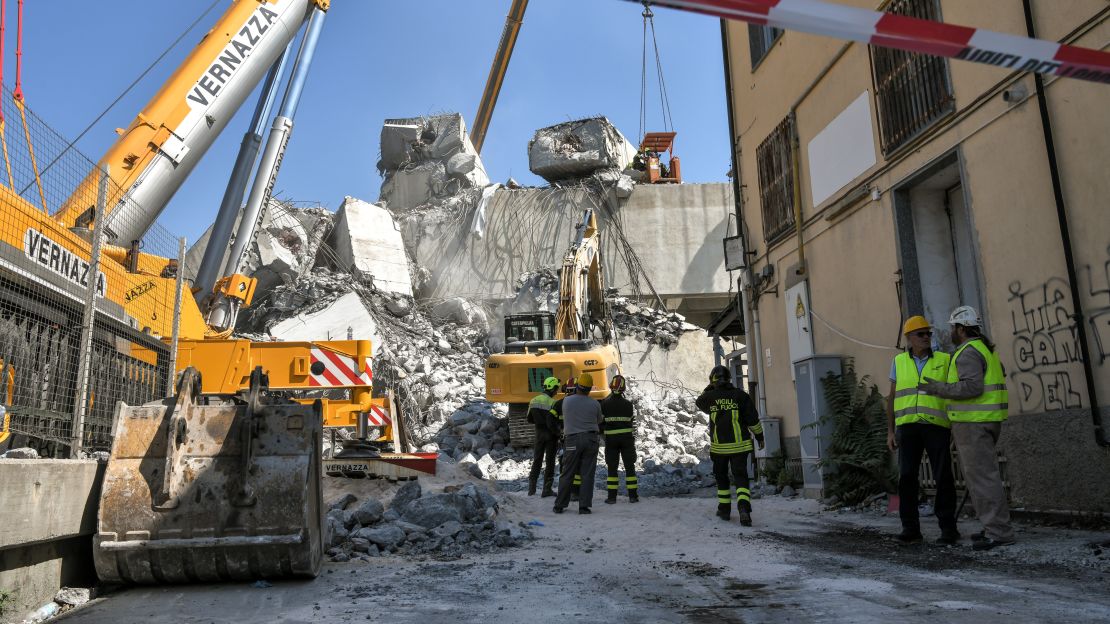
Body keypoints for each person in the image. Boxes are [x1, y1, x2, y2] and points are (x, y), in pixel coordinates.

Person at [919, 306, 1014, 551]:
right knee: (985, 476)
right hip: (986, 420)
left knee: (982, 478)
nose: (950, 332)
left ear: (961, 329)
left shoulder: (967, 353)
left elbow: (972, 387)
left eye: (953, 327)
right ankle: (994, 527)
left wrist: (939, 388)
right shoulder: (984, 350)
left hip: (974, 423)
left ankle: (999, 532)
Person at [886, 316, 958, 545]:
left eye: (928, 333)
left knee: (943, 476)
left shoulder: (945, 360)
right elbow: (892, 398)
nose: (926, 337)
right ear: (909, 338)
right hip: (907, 427)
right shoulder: (898, 362)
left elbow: (954, 392)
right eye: (921, 334)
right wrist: (890, 430)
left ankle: (948, 529)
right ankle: (910, 529)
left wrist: (956, 424)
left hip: (936, 426)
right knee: (906, 477)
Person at [696, 365, 764, 526]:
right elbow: (752, 419)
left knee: (722, 478)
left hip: (719, 448)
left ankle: (724, 509)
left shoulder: (709, 397)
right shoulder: (741, 396)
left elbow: (700, 402)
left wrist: (710, 388)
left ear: (712, 380)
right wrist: (760, 436)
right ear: (729, 379)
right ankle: (744, 508)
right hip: (740, 446)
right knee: (741, 477)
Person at [553, 373, 603, 515]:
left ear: (577, 386)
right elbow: (599, 421)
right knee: (587, 474)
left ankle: (560, 505)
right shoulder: (595, 403)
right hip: (591, 439)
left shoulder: (567, 401)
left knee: (567, 472)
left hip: (572, 440)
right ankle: (584, 507)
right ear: (589, 389)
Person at [600, 375, 639, 504]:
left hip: (611, 440)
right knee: (629, 467)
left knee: (612, 467)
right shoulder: (628, 405)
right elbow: (631, 422)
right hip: (627, 440)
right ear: (623, 389)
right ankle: (633, 496)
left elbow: (601, 423)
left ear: (611, 387)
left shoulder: (605, 404)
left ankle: (612, 497)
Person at [527, 376, 561, 497]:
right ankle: (546, 490)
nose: (557, 392)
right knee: (550, 462)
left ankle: (531, 490)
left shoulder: (534, 400)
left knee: (537, 460)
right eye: (556, 389)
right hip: (551, 435)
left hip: (539, 434)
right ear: (552, 389)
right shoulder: (553, 403)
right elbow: (556, 420)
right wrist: (558, 433)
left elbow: (529, 419)